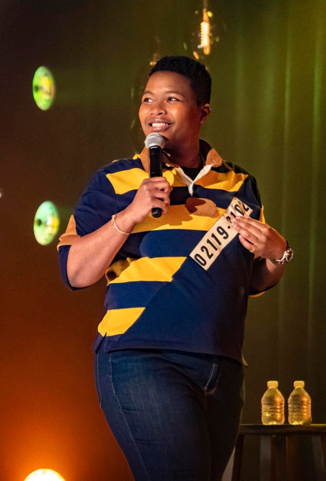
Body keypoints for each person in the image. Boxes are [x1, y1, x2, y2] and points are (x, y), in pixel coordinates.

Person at [57, 56, 293, 480]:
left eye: (171, 99)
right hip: (143, 356)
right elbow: (75, 272)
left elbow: (249, 280)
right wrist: (130, 215)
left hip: (221, 365)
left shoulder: (240, 185)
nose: (156, 110)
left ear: (203, 111)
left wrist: (278, 255)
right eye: (148, 99)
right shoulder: (116, 181)